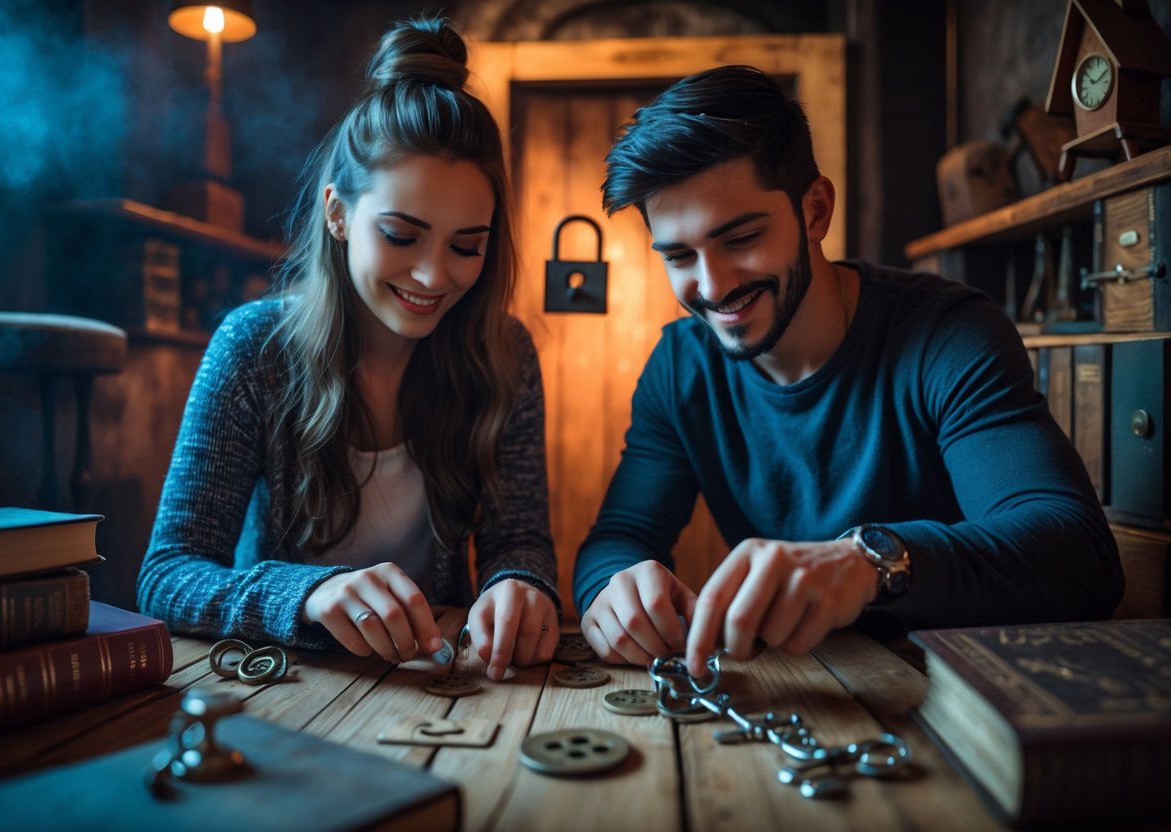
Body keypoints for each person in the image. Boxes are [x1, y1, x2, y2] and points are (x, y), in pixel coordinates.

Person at [573, 65, 1123, 679]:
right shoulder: (679, 368)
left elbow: (1079, 558)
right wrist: (612, 588)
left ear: (815, 211)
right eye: (679, 256)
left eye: (742, 238)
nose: (712, 286)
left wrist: (870, 561)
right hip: (808, 697)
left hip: (968, 699)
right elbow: (618, 536)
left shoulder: (949, 334)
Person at [138, 17, 559, 682]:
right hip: (285, 685)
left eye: (465, 245)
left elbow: (520, 541)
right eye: (400, 235)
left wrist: (521, 585)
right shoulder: (254, 349)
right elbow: (166, 575)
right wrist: (306, 593)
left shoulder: (502, 353)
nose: (432, 276)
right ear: (337, 213)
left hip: (437, 685)